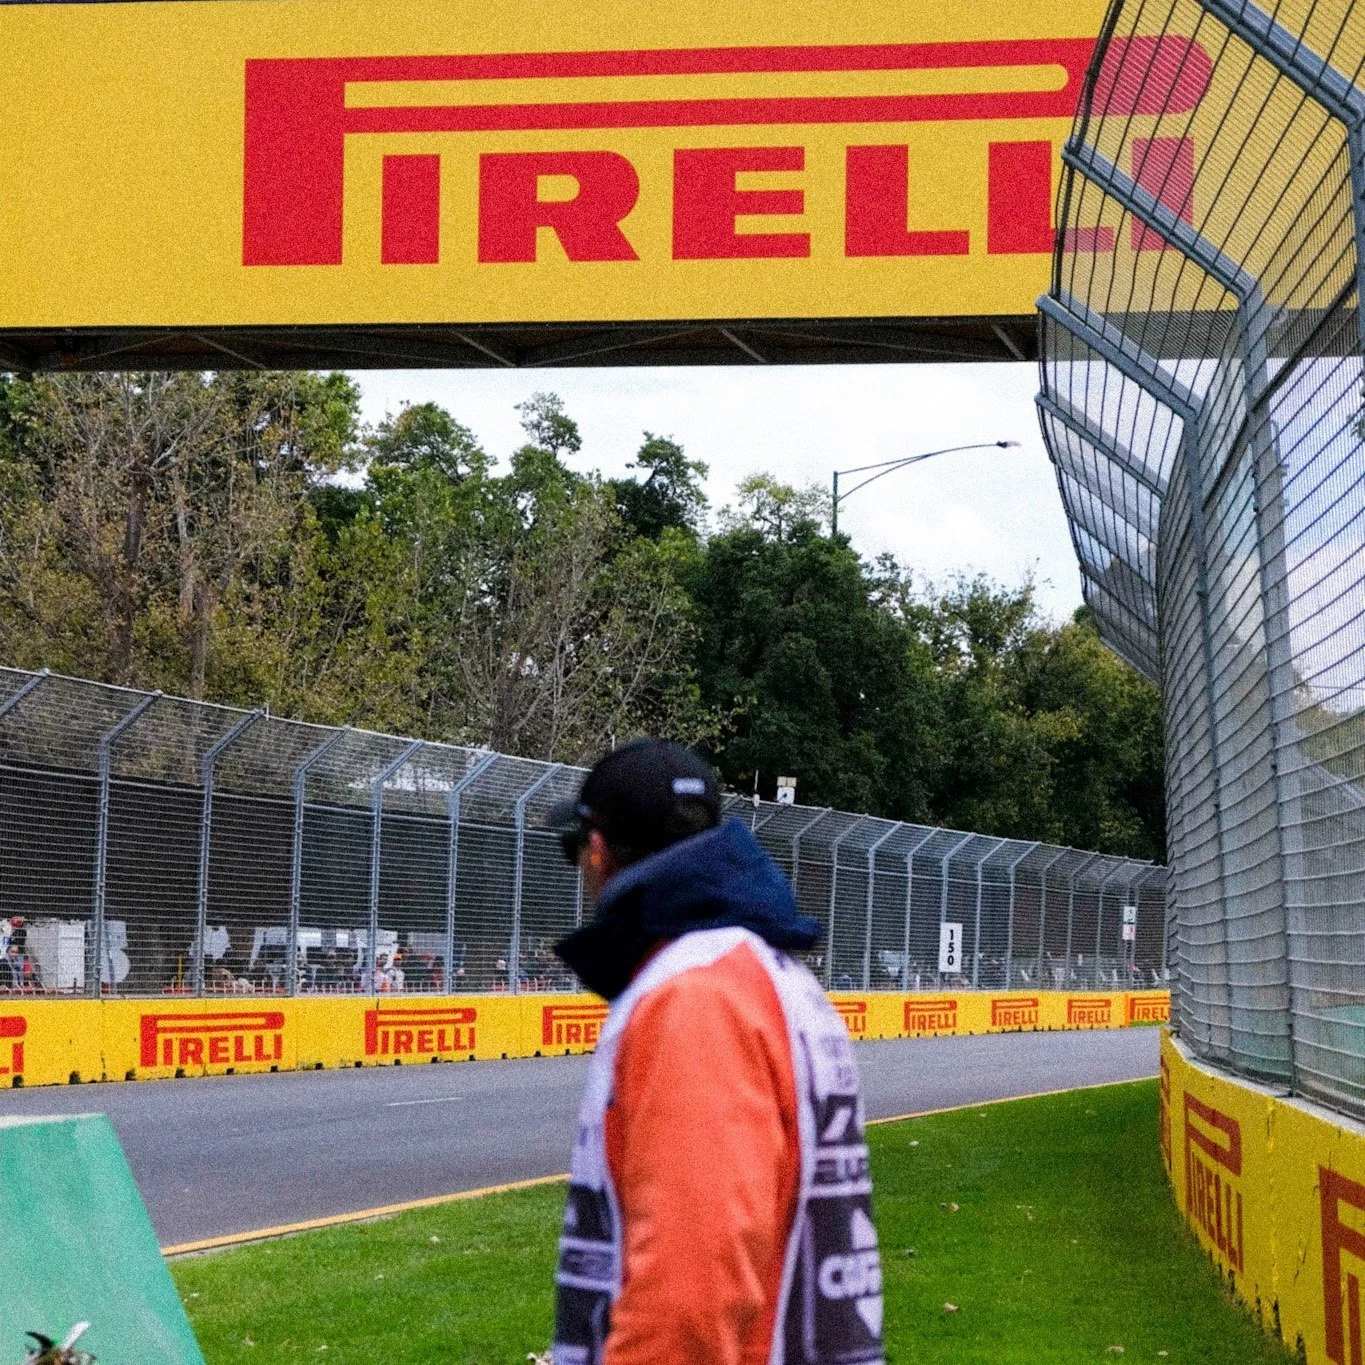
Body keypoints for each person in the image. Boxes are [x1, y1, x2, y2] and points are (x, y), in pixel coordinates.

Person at [549, 738, 884, 1365]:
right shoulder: (765, 972)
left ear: (596, 849)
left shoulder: (695, 996)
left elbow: (690, 1301)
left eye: (575, 851)